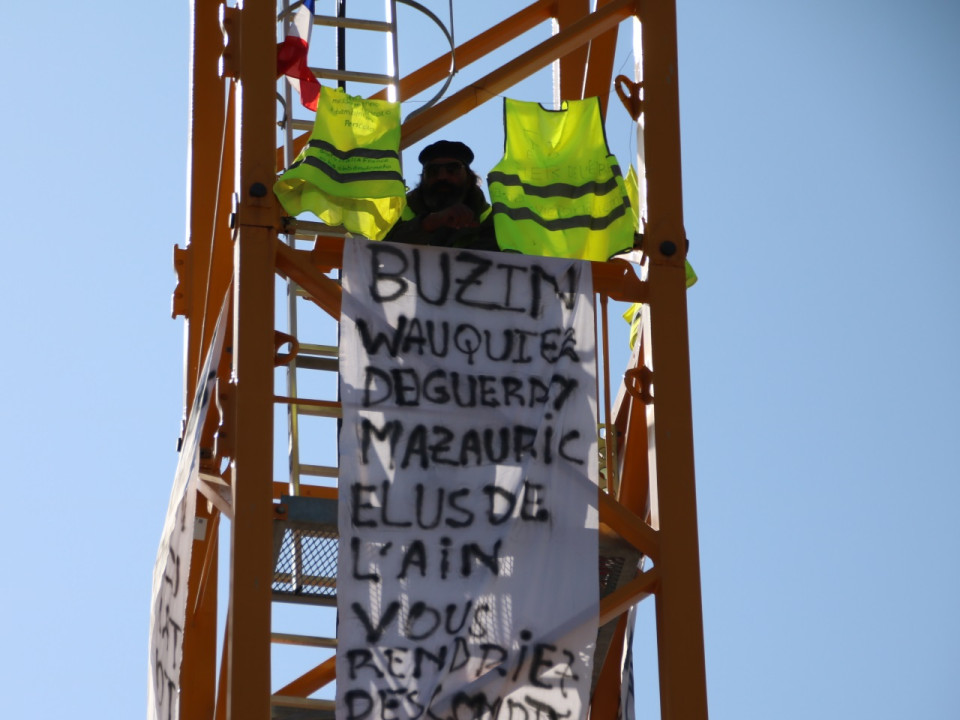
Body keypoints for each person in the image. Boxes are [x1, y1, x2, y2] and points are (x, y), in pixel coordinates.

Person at [384, 140, 499, 251]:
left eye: (452, 170)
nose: (442, 177)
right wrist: (427, 224)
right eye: (432, 171)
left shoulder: (491, 220)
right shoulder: (397, 212)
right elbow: (379, 250)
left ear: (469, 178)